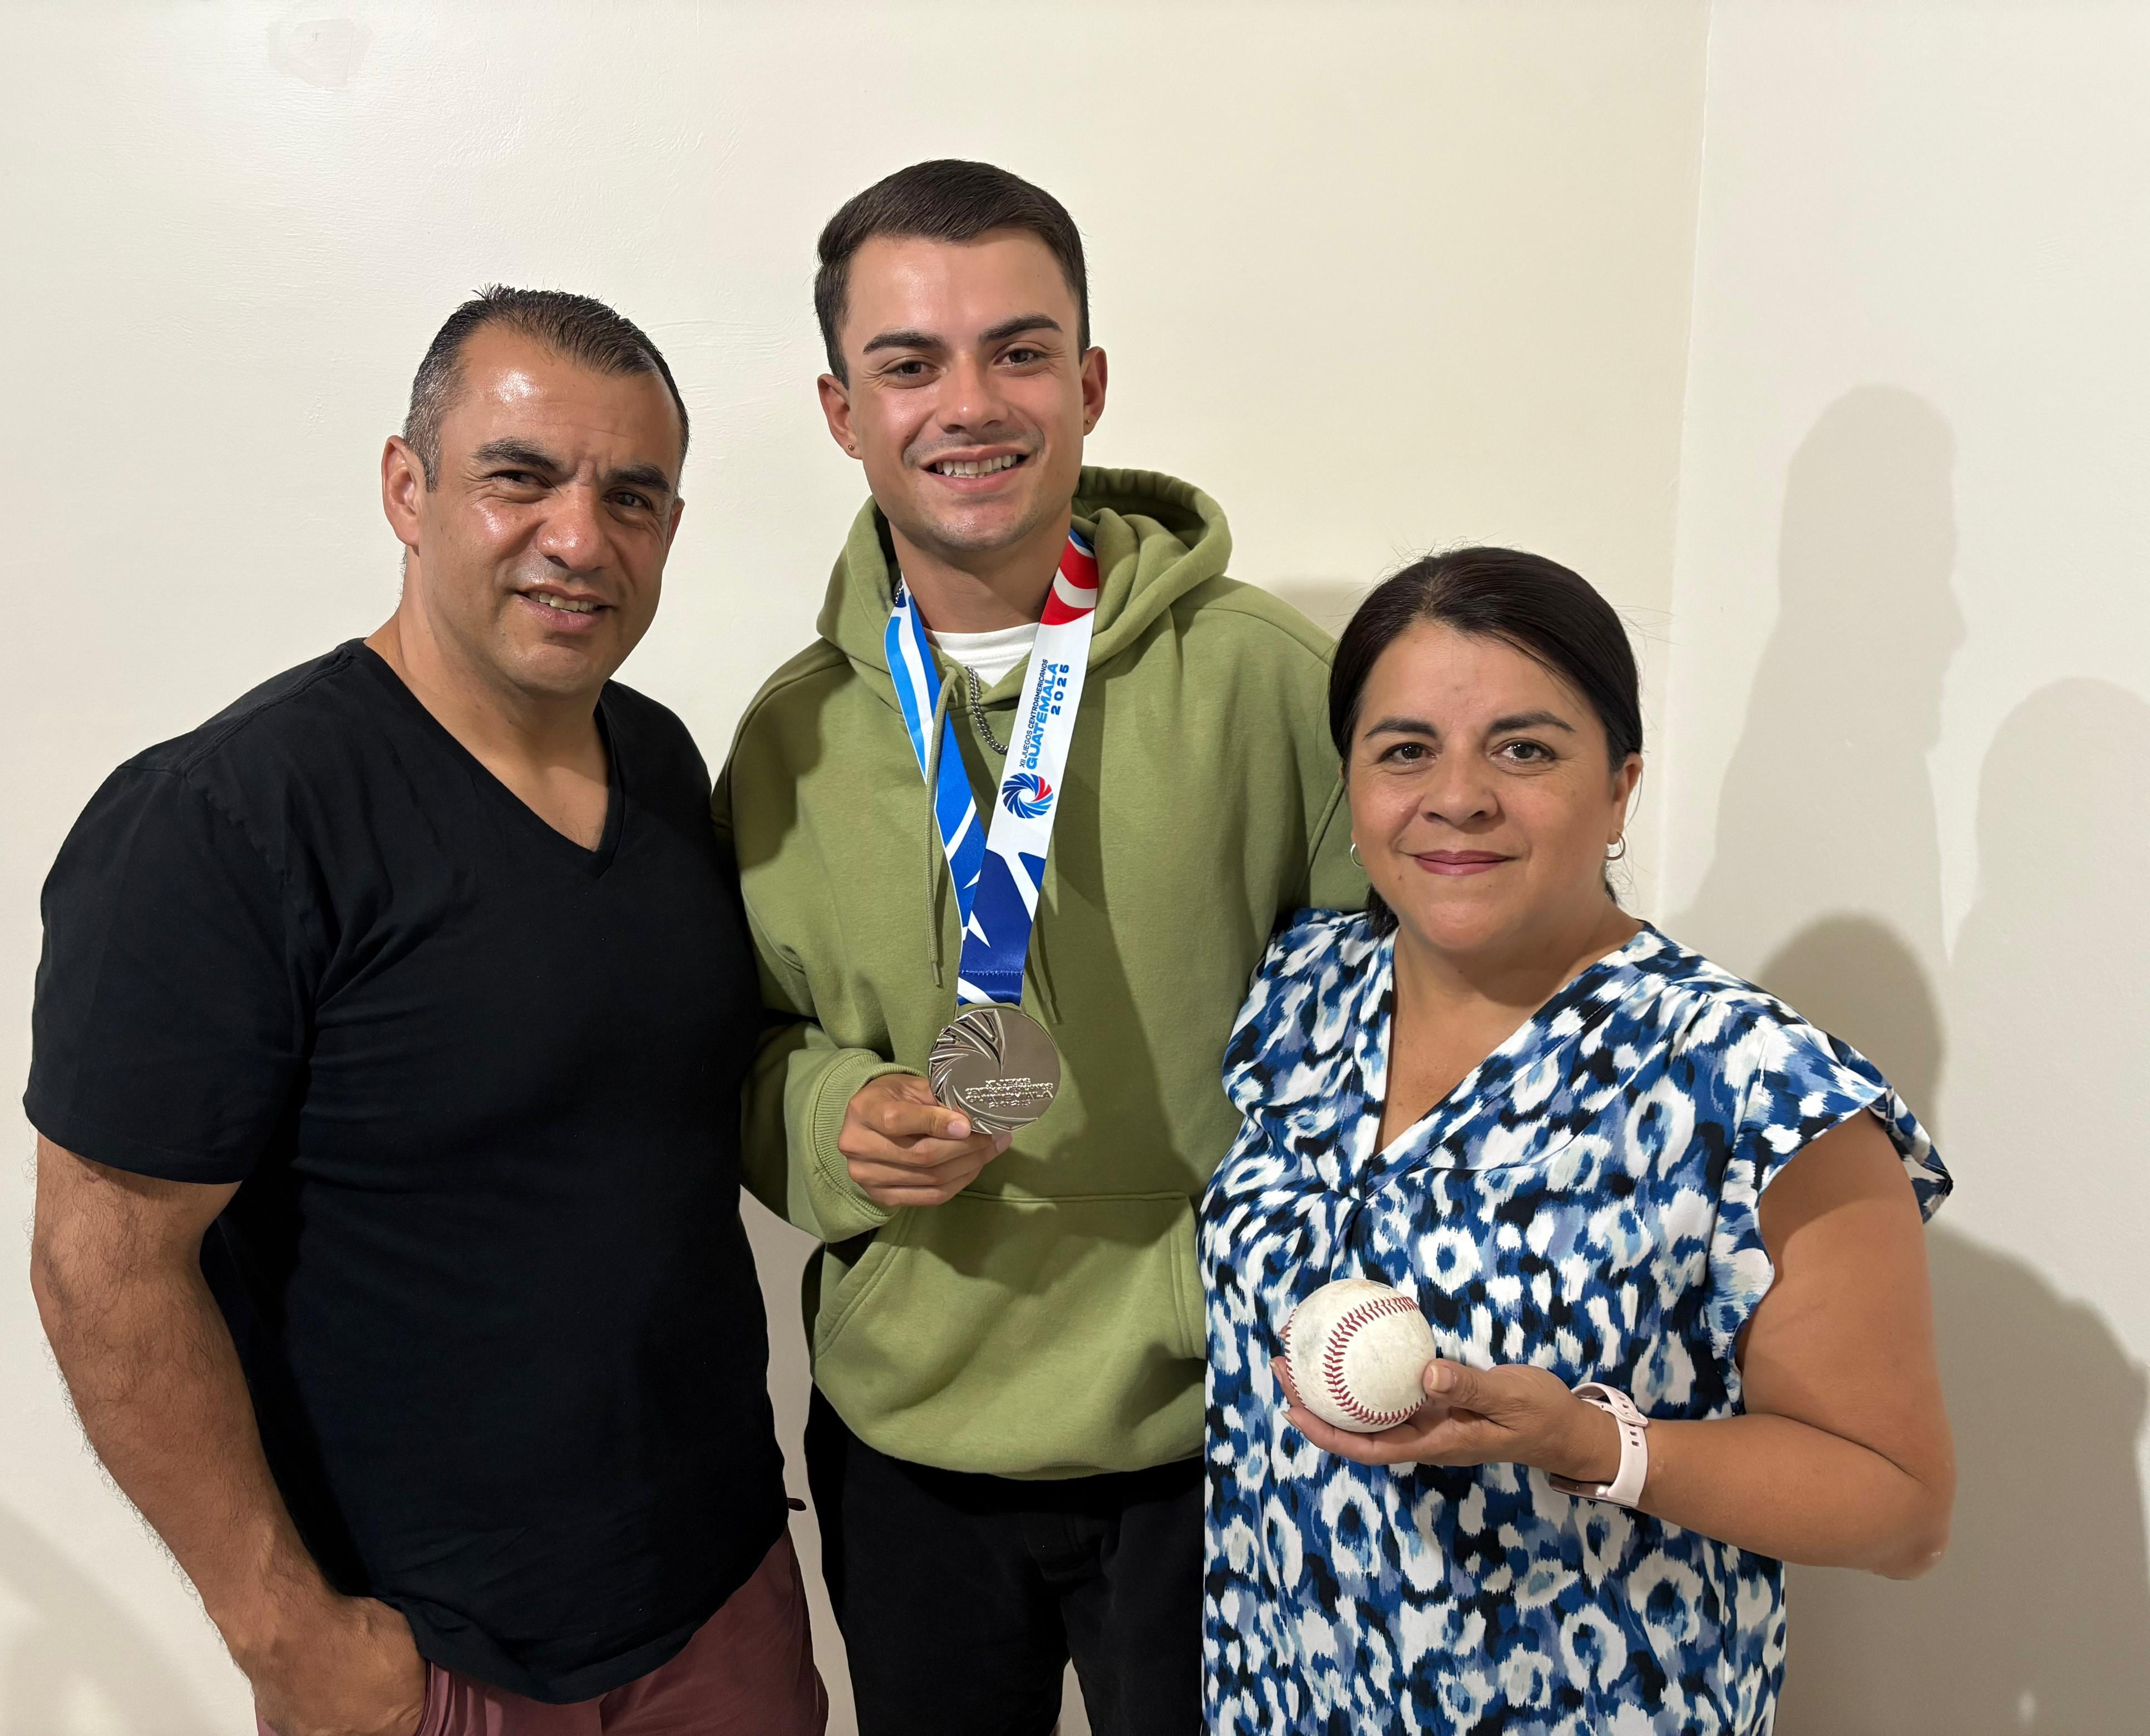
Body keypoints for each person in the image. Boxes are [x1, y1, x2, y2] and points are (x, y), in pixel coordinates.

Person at [26, 288, 826, 1736]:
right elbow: (105, 1267)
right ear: (408, 489)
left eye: (631, 496)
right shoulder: (227, 821)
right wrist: (286, 1634)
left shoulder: (657, 761)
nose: (579, 539)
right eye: (521, 477)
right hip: (432, 1656)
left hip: (721, 1602)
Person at [716, 159, 1364, 1735]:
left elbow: (1388, 1037)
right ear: (840, 411)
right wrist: (831, 1117)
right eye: (909, 363)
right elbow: (735, 1048)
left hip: (1223, 1424)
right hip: (912, 1430)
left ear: (1089, 382)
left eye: (1018, 351)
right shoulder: (788, 739)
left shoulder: (1276, 682)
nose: (969, 404)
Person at [1200, 548, 1957, 1733]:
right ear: (1351, 783)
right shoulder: (1300, 991)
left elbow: (1901, 1510)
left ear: (1619, 788)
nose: (1459, 796)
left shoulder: (1754, 1085)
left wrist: (1594, 1443)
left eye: (1524, 749)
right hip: (1280, 1696)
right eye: (1406, 750)